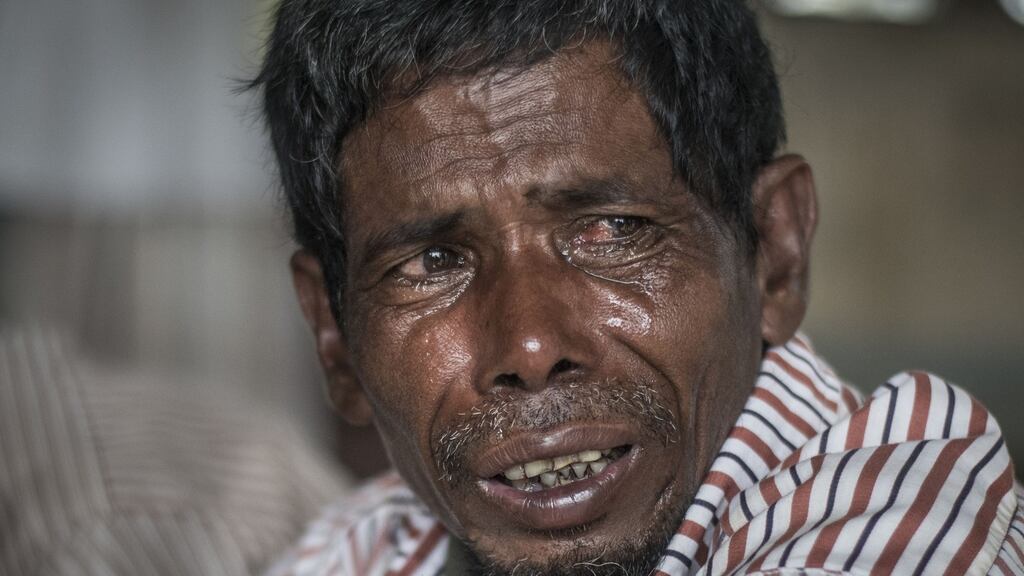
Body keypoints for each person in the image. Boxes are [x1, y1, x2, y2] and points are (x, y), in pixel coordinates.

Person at [251, 1, 1024, 574]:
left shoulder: (898, 520)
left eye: (613, 231)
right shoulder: (367, 545)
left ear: (776, 252)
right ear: (334, 336)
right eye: (433, 264)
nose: (529, 345)